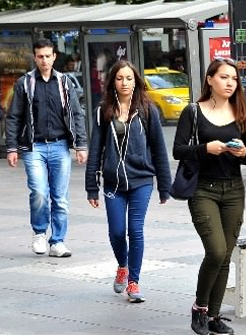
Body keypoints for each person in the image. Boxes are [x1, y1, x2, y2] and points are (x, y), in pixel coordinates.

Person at [173, 58, 246, 335]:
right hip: (203, 190)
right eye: (223, 77)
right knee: (216, 251)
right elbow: (179, 150)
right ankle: (200, 308)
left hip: (234, 190)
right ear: (210, 80)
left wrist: (244, 153)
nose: (230, 83)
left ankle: (214, 316)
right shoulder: (193, 112)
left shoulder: (242, 112)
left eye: (233, 78)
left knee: (225, 255)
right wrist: (205, 148)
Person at [85, 60, 172, 303]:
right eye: (120, 78)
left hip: (141, 179)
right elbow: (96, 150)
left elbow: (158, 149)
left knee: (135, 230)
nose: (125, 83)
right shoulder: (104, 111)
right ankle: (122, 265)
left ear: (136, 81)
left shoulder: (148, 109)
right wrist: (92, 185)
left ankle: (133, 282)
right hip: (113, 183)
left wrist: (164, 186)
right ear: (113, 81)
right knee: (116, 231)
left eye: (129, 78)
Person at [5, 38, 88, 257]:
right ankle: (40, 232)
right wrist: (12, 147)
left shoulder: (64, 82)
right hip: (34, 148)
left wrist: (81, 144)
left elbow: (76, 114)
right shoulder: (25, 83)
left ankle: (58, 241)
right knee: (40, 192)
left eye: (47, 56)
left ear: (54, 57)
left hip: (60, 147)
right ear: (35, 57)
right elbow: (13, 117)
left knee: (60, 197)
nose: (44, 60)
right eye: (40, 56)